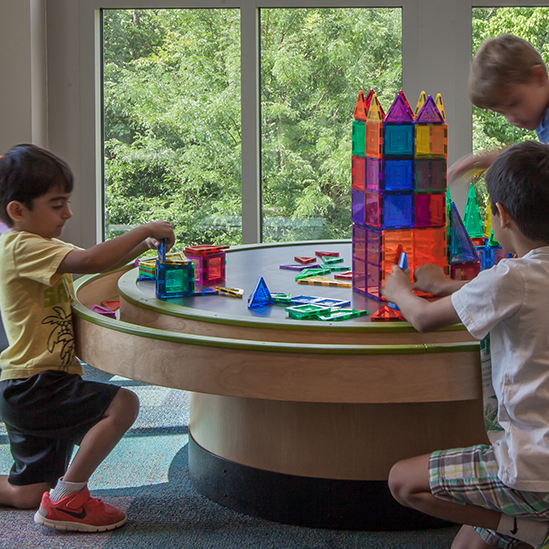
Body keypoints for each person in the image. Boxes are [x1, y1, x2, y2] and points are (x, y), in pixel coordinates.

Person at [382, 141, 549, 549]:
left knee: (403, 481)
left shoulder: (510, 277)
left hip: (532, 469)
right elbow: (519, 293)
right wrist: (448, 286)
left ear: (501, 216)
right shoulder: (517, 279)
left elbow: (422, 319)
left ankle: (530, 530)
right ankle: (517, 527)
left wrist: (399, 290)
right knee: (467, 545)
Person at [0, 144, 175, 532]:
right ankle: (68, 498)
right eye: (57, 204)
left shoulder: (39, 247)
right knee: (123, 404)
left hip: (29, 384)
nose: (68, 213)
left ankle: (52, 494)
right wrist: (144, 229)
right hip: (37, 383)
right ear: (17, 210)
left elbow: (94, 262)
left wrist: (139, 252)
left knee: (28, 492)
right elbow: (92, 261)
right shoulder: (19, 247)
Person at [449, 34, 549, 181]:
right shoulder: (542, 120)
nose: (512, 118)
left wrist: (501, 158)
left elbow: (539, 163)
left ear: (538, 77)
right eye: (502, 112)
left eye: (514, 103)